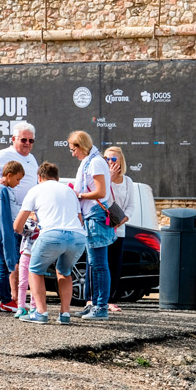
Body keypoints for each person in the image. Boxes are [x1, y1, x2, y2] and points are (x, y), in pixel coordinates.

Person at [12, 162, 86, 324]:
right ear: (57, 178)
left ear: (39, 177)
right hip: (78, 237)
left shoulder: (35, 190)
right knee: (64, 272)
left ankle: (41, 312)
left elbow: (17, 226)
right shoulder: (70, 191)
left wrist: (29, 225)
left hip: (52, 234)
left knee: (35, 270)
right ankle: (65, 314)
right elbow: (79, 220)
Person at [0, 121, 38, 312]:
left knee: (15, 261)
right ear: (13, 139)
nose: (27, 143)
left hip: (24, 219)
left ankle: (15, 299)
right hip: (12, 223)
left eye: (31, 140)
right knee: (6, 263)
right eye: (23, 139)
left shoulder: (31, 159)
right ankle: (8, 300)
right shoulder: (4, 157)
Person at [68, 130, 115, 320]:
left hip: (95, 214)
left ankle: (101, 307)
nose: (73, 154)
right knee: (93, 264)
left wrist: (78, 195)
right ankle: (94, 303)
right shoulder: (90, 161)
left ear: (81, 146)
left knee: (99, 264)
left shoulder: (95, 162)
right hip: (91, 215)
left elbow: (101, 191)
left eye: (73, 149)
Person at [0, 161, 23, 310]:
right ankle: (6, 301)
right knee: (4, 268)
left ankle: (8, 300)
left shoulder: (5, 188)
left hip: (8, 234)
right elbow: (2, 218)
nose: (18, 182)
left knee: (7, 267)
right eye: (17, 179)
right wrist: (6, 238)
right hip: (6, 235)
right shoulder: (2, 190)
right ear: (9, 175)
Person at [103, 146, 133, 313]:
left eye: (113, 159)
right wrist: (109, 178)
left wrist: (122, 220)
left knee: (114, 265)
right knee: (99, 264)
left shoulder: (128, 182)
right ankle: (92, 299)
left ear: (120, 162)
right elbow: (102, 198)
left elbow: (131, 205)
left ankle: (111, 299)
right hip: (102, 228)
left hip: (118, 229)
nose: (110, 162)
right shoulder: (102, 179)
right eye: (107, 159)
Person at [14, 215, 39, 319]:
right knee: (22, 282)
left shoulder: (45, 217)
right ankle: (21, 306)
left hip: (37, 254)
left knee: (35, 283)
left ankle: (34, 306)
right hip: (26, 253)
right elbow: (23, 229)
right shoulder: (27, 217)